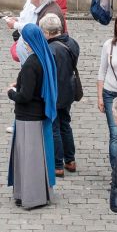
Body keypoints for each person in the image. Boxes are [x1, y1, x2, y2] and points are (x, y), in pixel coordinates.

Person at [8, 22, 57, 211]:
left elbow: (24, 96)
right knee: (37, 157)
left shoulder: (30, 64)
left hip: (27, 116)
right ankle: (37, 194)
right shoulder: (45, 58)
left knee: (27, 159)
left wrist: (11, 92)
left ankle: (29, 196)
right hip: (39, 114)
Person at [40, 13, 80, 176]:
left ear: (48, 33)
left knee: (54, 127)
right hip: (69, 90)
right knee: (65, 124)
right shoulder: (72, 43)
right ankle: (70, 160)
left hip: (55, 92)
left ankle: (57, 165)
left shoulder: (50, 49)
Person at [97, 14, 117, 174]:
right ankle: (116, 172)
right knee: (115, 133)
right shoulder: (109, 45)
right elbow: (102, 71)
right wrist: (100, 96)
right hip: (111, 93)